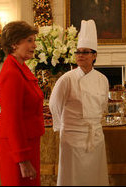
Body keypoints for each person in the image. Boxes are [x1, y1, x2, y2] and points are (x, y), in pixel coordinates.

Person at [49, 19, 110, 186]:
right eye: (78, 52)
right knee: (73, 179)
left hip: (95, 137)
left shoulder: (102, 79)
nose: (80, 55)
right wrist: (61, 128)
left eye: (85, 52)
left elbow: (103, 105)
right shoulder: (66, 79)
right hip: (72, 138)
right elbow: (54, 104)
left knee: (94, 178)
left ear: (94, 55)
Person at [0, 20, 45, 186]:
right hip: (16, 147)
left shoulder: (21, 68)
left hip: (27, 142)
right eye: (29, 40)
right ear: (15, 43)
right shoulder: (12, 73)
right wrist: (22, 159)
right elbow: (12, 119)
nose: (34, 45)